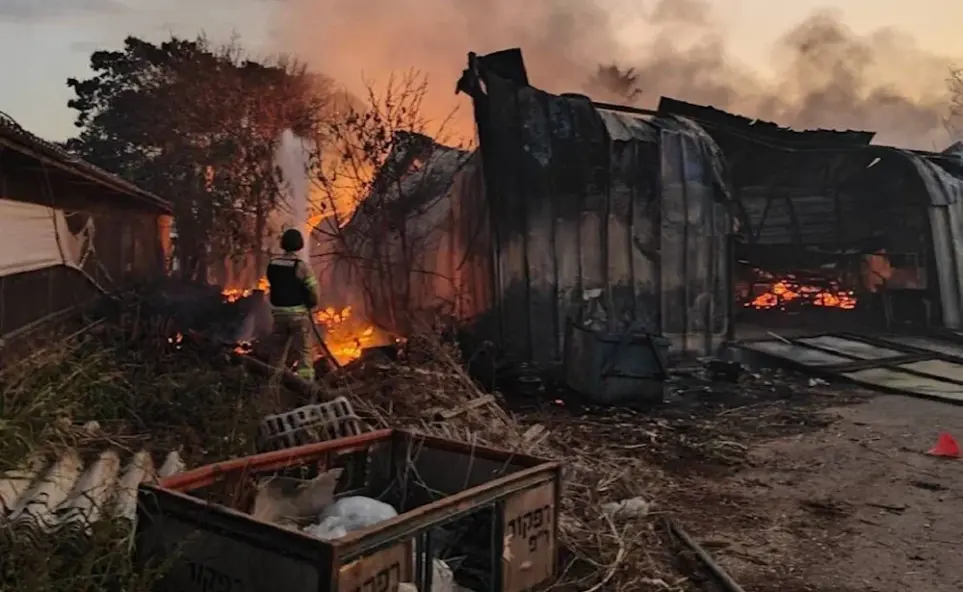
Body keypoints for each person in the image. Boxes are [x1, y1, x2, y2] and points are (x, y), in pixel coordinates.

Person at [266, 228, 320, 381]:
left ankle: (272, 386)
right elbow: (314, 290)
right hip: (298, 316)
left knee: (277, 354)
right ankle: (306, 386)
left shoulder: (272, 264)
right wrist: (313, 303)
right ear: (299, 245)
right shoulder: (301, 266)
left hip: (278, 315)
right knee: (304, 353)